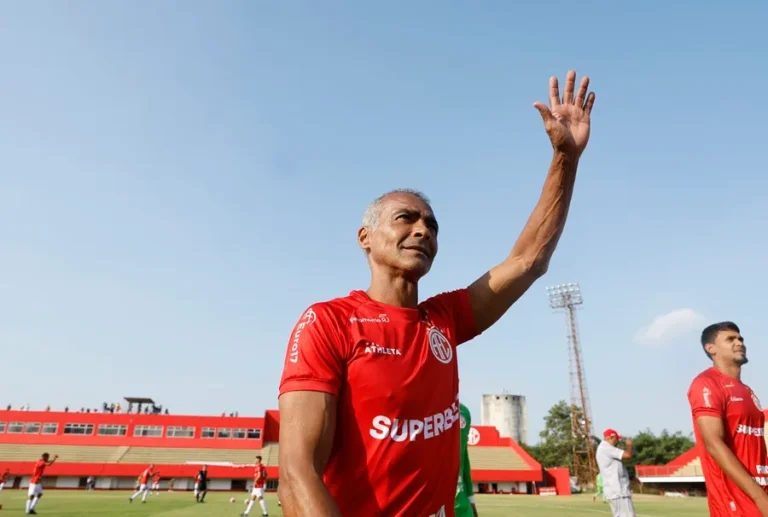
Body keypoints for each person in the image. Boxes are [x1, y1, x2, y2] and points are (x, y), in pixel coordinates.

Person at [277, 70, 596, 516]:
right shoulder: (328, 322)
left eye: (432, 225)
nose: (423, 229)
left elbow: (528, 261)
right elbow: (297, 474)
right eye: (406, 219)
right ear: (364, 237)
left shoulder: (443, 318)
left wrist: (567, 158)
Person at [688, 322, 768, 517]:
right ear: (711, 348)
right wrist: (759, 497)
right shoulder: (706, 383)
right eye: (730, 339)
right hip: (735, 501)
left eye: (740, 338)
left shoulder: (747, 391)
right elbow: (713, 444)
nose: (739, 342)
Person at [595, 429, 635, 517]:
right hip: (618, 491)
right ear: (611, 437)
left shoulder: (605, 448)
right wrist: (629, 445)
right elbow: (628, 455)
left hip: (616, 490)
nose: (618, 441)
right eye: (617, 439)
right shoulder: (606, 448)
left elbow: (618, 467)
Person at [455, 403, 478, 517]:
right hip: (432, 503)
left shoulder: (463, 412)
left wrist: (471, 499)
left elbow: (464, 459)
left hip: (461, 504)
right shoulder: (422, 407)